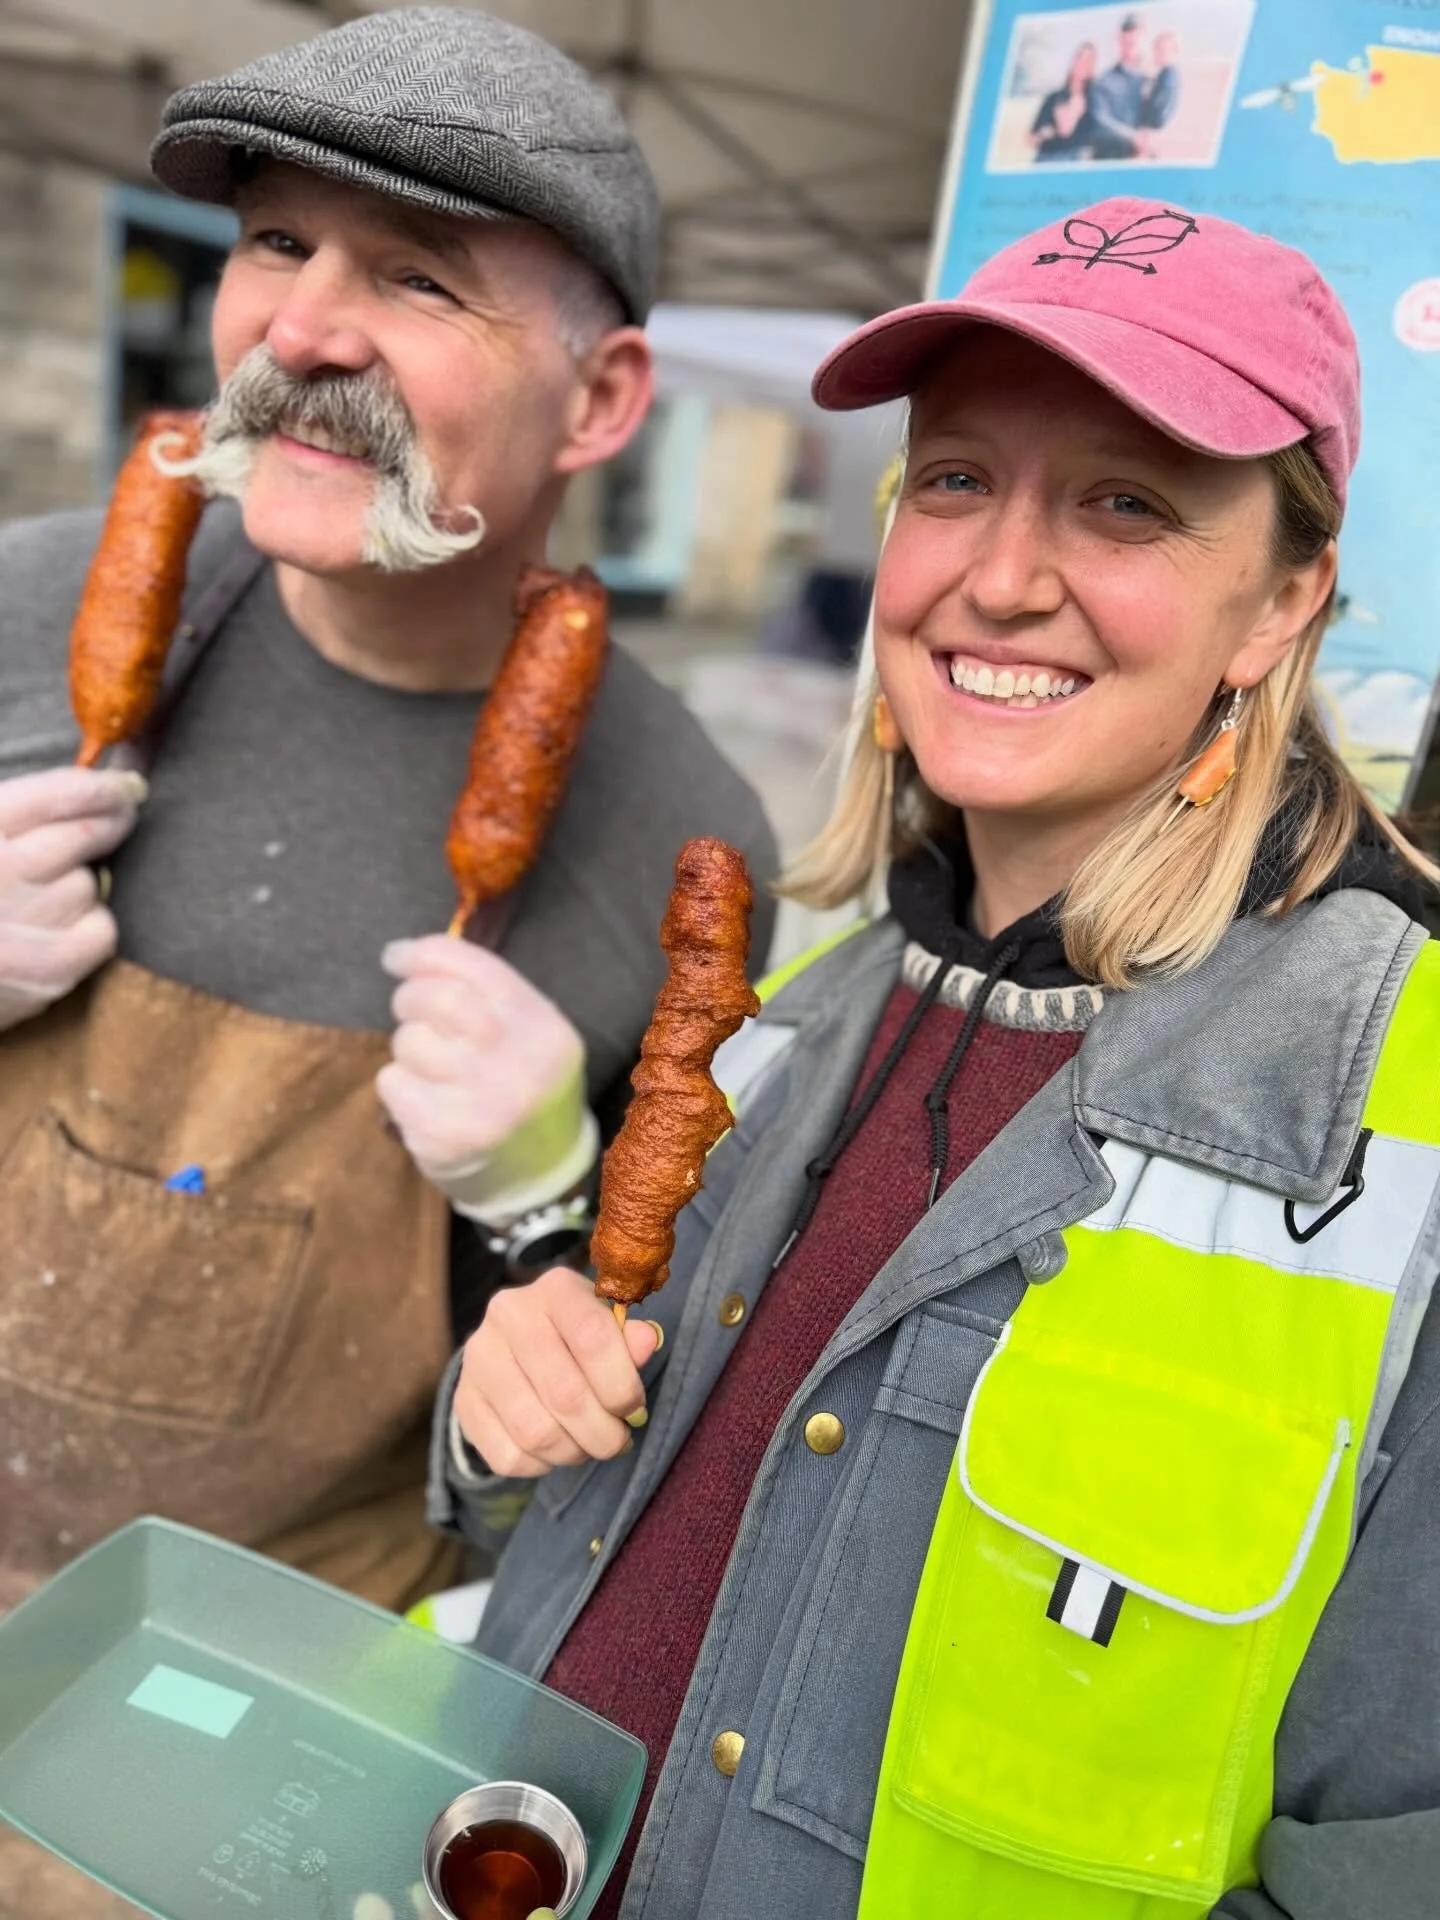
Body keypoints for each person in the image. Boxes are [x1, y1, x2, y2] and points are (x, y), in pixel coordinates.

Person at [433, 195, 1440, 1918]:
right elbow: (595, 1533)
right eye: (957, 478)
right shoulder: (803, 1006)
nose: (1000, 575)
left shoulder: (1395, 1116)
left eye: (1125, 501)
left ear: (1281, 601)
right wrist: (491, 1403)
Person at [0, 11, 776, 1904]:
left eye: (415, 277)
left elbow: (590, 1446)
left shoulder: (685, 851)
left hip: (242, 1699)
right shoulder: (27, 605)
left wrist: (547, 1203)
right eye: (276, 244)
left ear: (599, 405)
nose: (301, 329)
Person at [1086, 10, 1149, 160]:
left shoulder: (1150, 79)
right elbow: (1099, 121)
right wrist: (1134, 137)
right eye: (1126, 41)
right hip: (1110, 158)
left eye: (1135, 41)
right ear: (1118, 40)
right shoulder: (1104, 82)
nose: (1130, 46)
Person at [1029, 41, 1098, 163]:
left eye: (1088, 61)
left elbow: (1067, 130)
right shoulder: (1053, 98)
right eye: (1080, 58)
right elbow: (1031, 138)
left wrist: (1073, 114)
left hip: (1075, 158)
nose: (1082, 64)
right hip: (1047, 157)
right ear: (1072, 62)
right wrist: (1042, 135)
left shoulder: (1094, 101)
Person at [1138, 29, 1182, 152]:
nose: (1157, 53)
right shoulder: (1163, 75)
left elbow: (1159, 113)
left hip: (1153, 135)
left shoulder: (1168, 76)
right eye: (1156, 49)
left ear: (1174, 52)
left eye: (1163, 50)